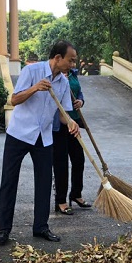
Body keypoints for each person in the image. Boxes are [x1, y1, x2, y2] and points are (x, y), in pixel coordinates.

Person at [0, 41, 80, 246]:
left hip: (44, 136)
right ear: (58, 58)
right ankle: (4, 229)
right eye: (71, 60)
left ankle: (41, 226)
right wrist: (35, 88)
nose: (73, 64)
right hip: (19, 134)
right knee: (9, 180)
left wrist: (71, 122)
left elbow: (61, 114)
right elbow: (14, 100)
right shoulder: (31, 70)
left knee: (43, 183)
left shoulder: (64, 82)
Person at [52, 67, 89, 215]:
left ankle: (76, 194)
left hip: (74, 122)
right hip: (59, 125)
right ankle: (61, 200)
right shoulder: (55, 76)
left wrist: (81, 101)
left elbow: (79, 91)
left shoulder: (73, 73)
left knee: (79, 159)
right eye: (70, 59)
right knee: (61, 163)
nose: (73, 63)